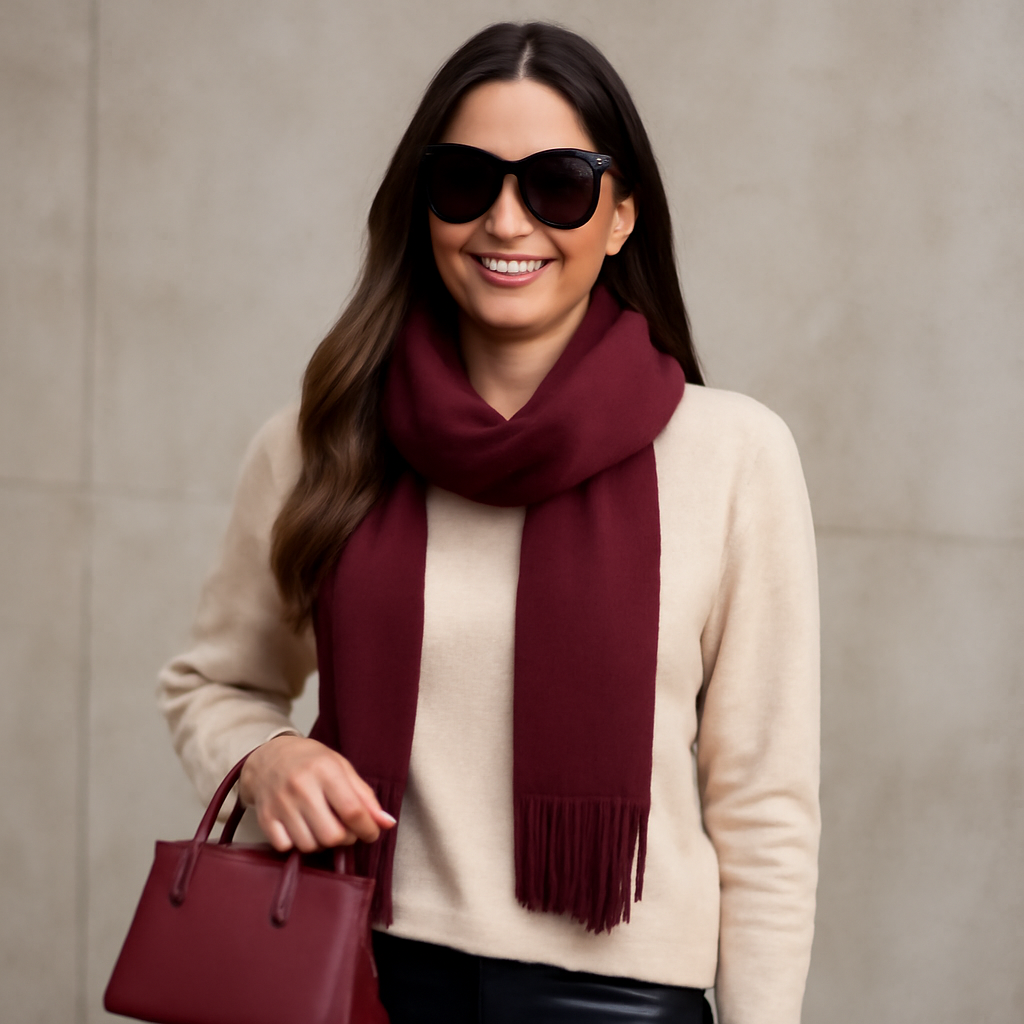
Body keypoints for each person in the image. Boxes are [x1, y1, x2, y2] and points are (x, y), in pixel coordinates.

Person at [158, 21, 819, 1024]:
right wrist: (263, 758)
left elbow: (764, 805)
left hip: (618, 1000)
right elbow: (218, 681)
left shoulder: (734, 455)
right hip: (354, 968)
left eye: (556, 184)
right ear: (426, 205)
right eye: (467, 181)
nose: (506, 222)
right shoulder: (320, 439)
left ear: (621, 215)